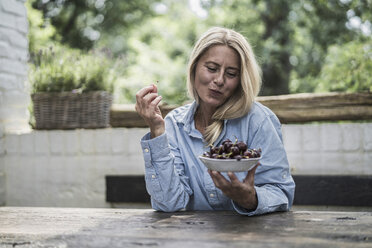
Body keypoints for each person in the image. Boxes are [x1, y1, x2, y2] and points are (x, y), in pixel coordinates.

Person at [135, 27, 295, 216]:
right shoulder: (174, 125)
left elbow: (281, 193)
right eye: (211, 68)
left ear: (241, 80)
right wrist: (157, 131)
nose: (219, 80)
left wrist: (250, 199)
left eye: (231, 73)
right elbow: (170, 203)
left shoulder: (258, 120)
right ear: (194, 68)